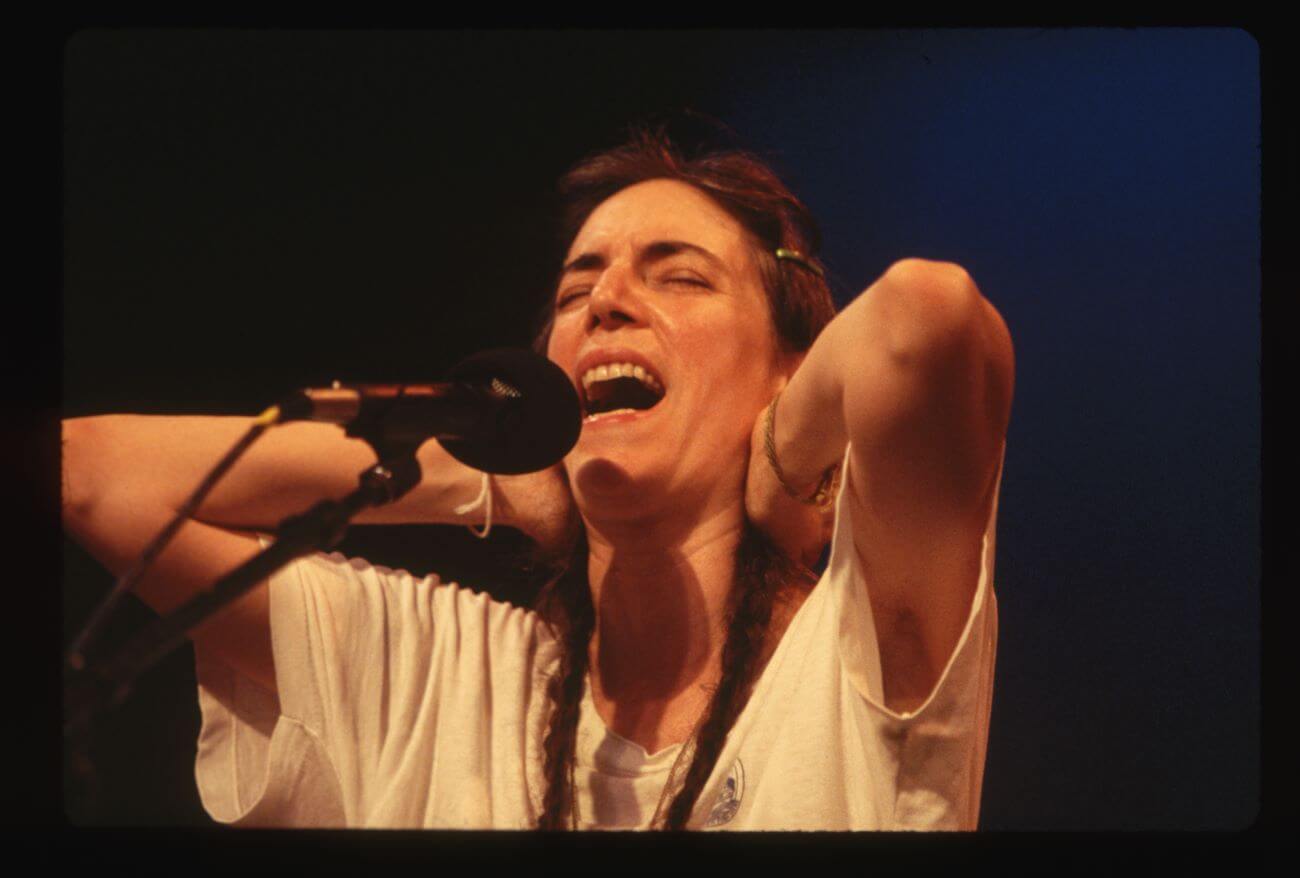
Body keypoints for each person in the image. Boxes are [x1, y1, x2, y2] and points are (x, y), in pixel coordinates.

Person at [61, 129, 1015, 830]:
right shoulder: (434, 668)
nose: (605, 301)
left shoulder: (860, 645)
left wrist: (780, 458)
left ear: (792, 372)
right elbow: (92, 475)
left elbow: (925, 321)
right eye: (573, 291)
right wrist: (484, 474)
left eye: (678, 277)